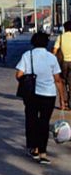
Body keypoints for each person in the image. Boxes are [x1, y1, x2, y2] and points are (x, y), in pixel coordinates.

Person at [15, 32, 65, 165]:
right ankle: (43, 153)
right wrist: (62, 99)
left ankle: (34, 148)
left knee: (31, 121)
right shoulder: (51, 58)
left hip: (31, 95)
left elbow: (18, 74)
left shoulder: (27, 55)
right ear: (46, 42)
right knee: (44, 123)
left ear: (33, 42)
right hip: (48, 95)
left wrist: (27, 79)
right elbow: (58, 80)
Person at [53, 20, 71, 110]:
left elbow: (54, 51)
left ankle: (64, 103)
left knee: (63, 82)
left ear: (65, 28)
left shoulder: (61, 37)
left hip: (63, 63)